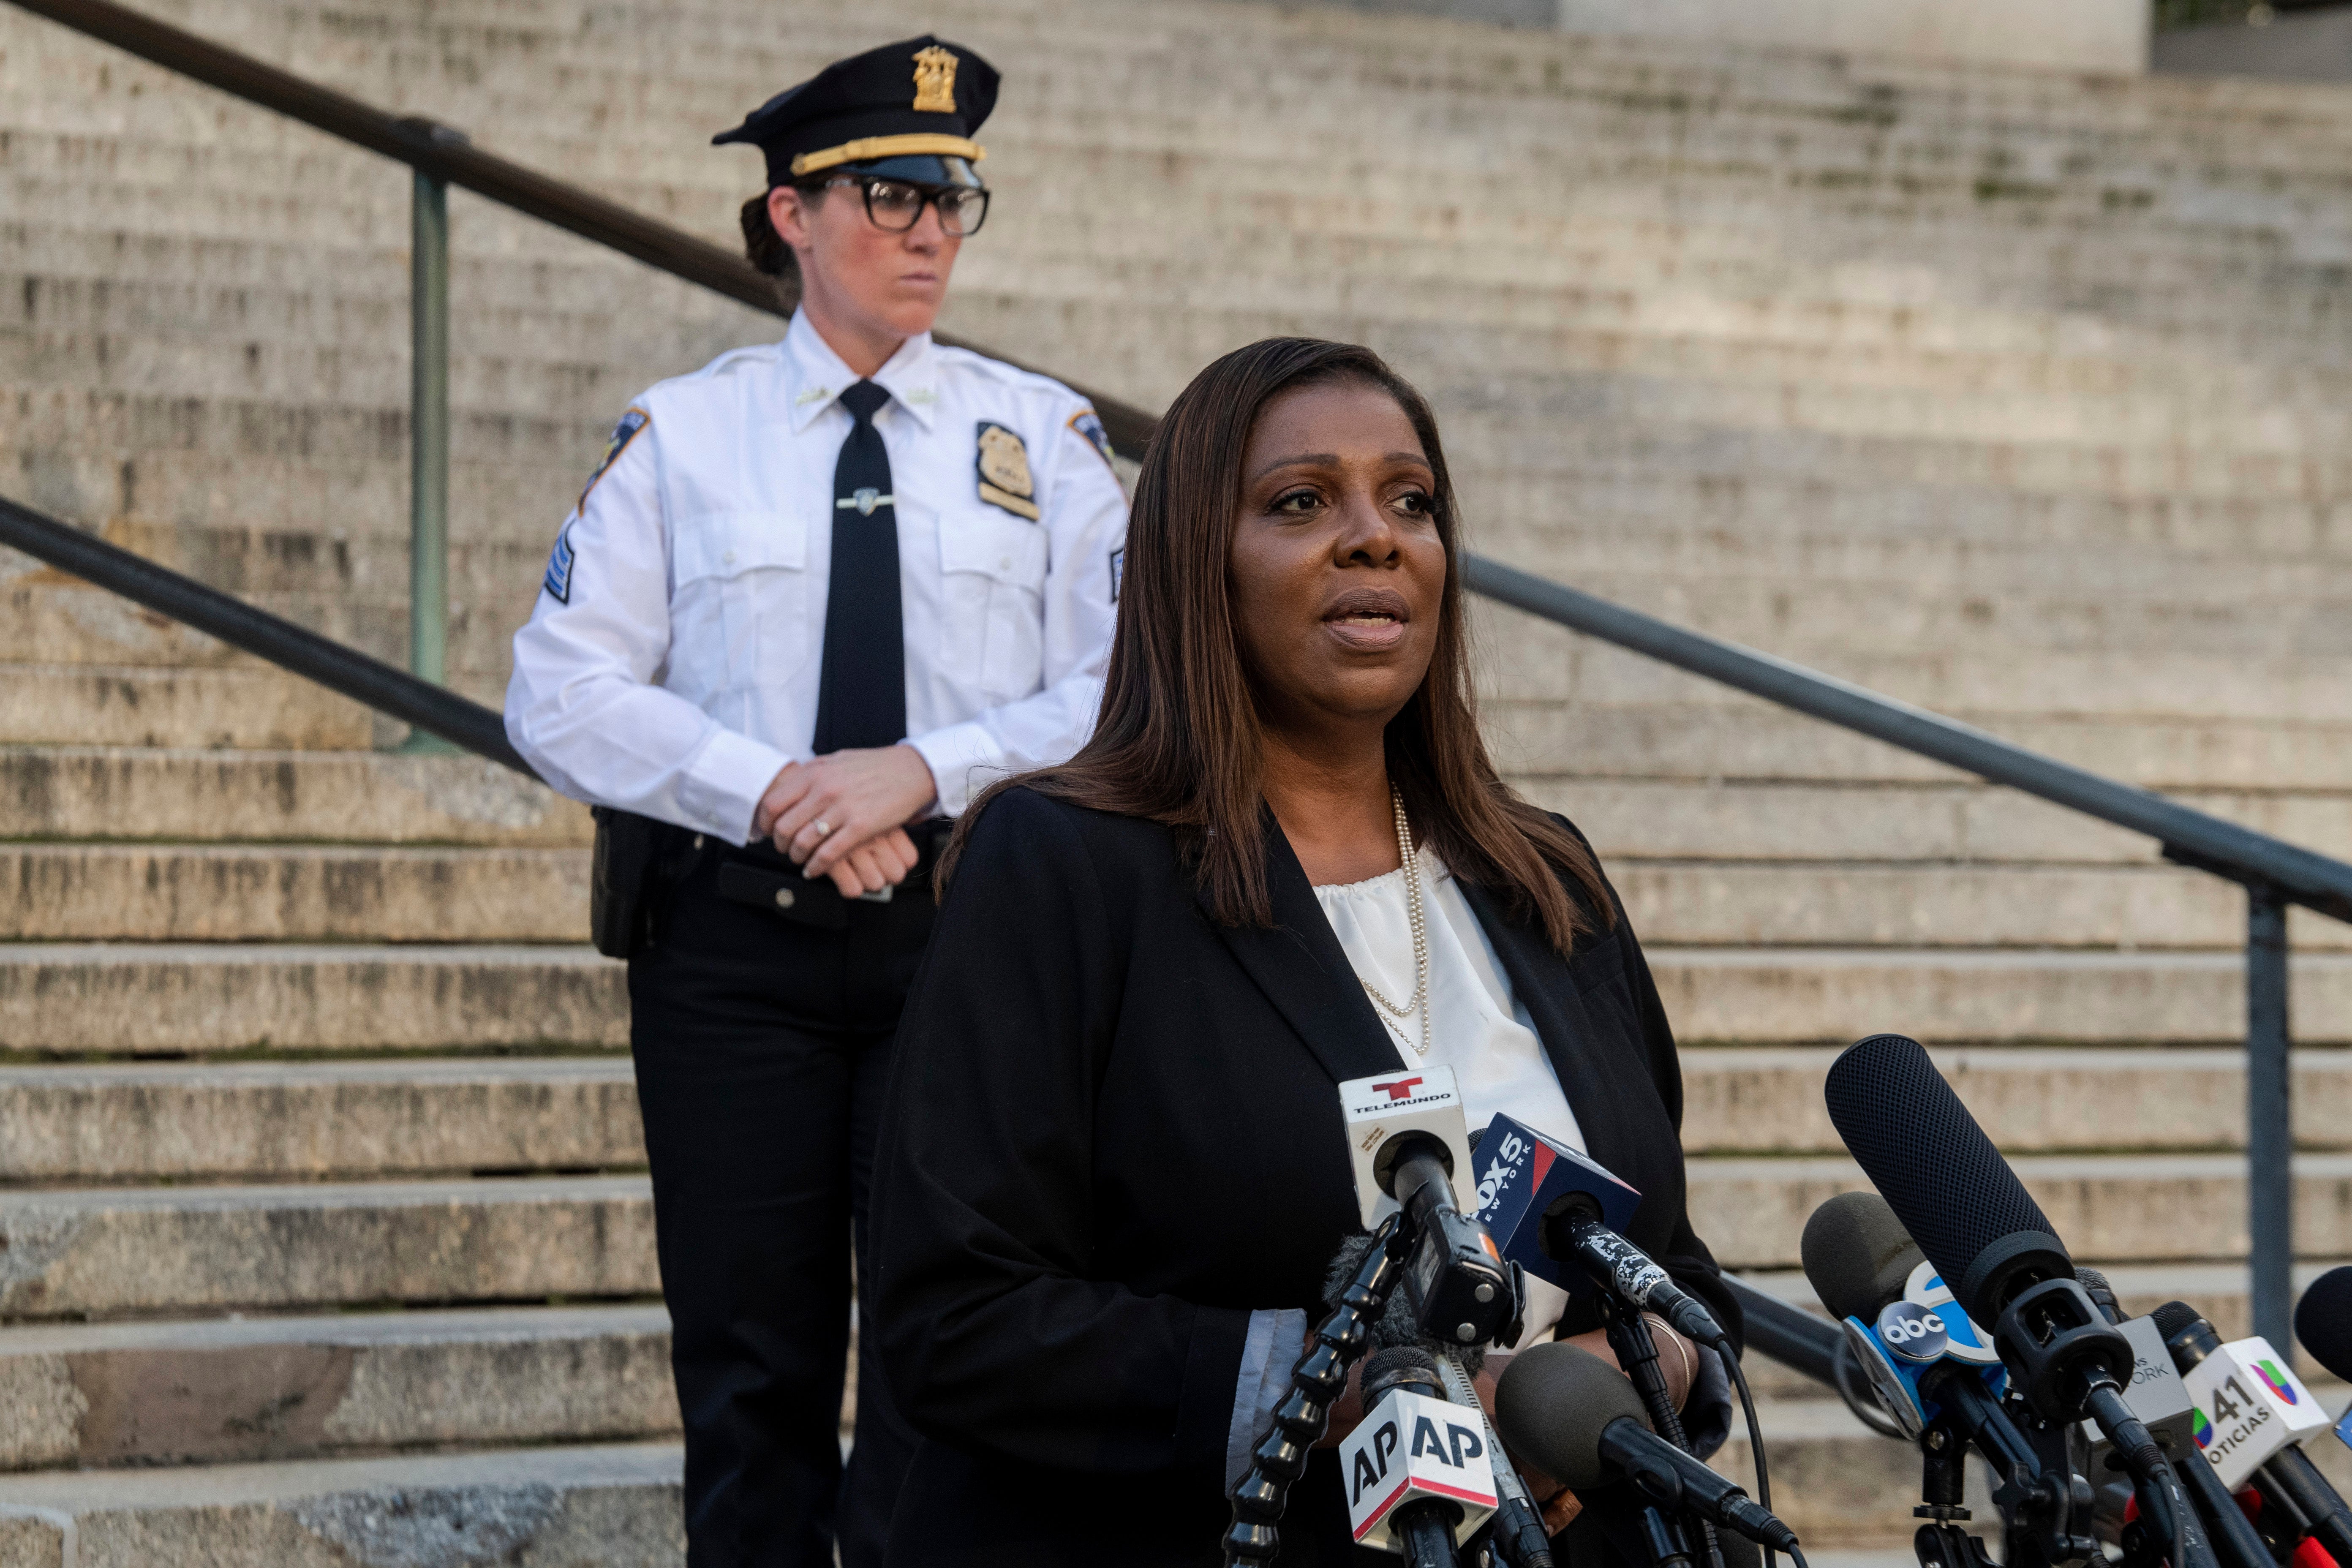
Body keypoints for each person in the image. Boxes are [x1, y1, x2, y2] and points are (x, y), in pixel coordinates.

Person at [868, 337, 1740, 1565]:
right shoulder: (1058, 867)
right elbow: (959, 1316)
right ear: (1195, 568)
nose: (1377, 536)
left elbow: (1675, 1269)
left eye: (1412, 500)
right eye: (1299, 501)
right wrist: (1365, 1392)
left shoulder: (1548, 877)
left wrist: (1623, 1377)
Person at [503, 34, 1128, 1568]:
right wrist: (778, 791)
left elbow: (1129, 691)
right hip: (735, 968)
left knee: (951, 1380)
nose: (928, 230)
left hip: (968, 964)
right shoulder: (684, 437)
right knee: (749, 1381)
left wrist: (919, 773)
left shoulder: (1043, 441)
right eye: (892, 193)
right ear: (791, 212)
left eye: (953, 201)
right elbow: (557, 689)